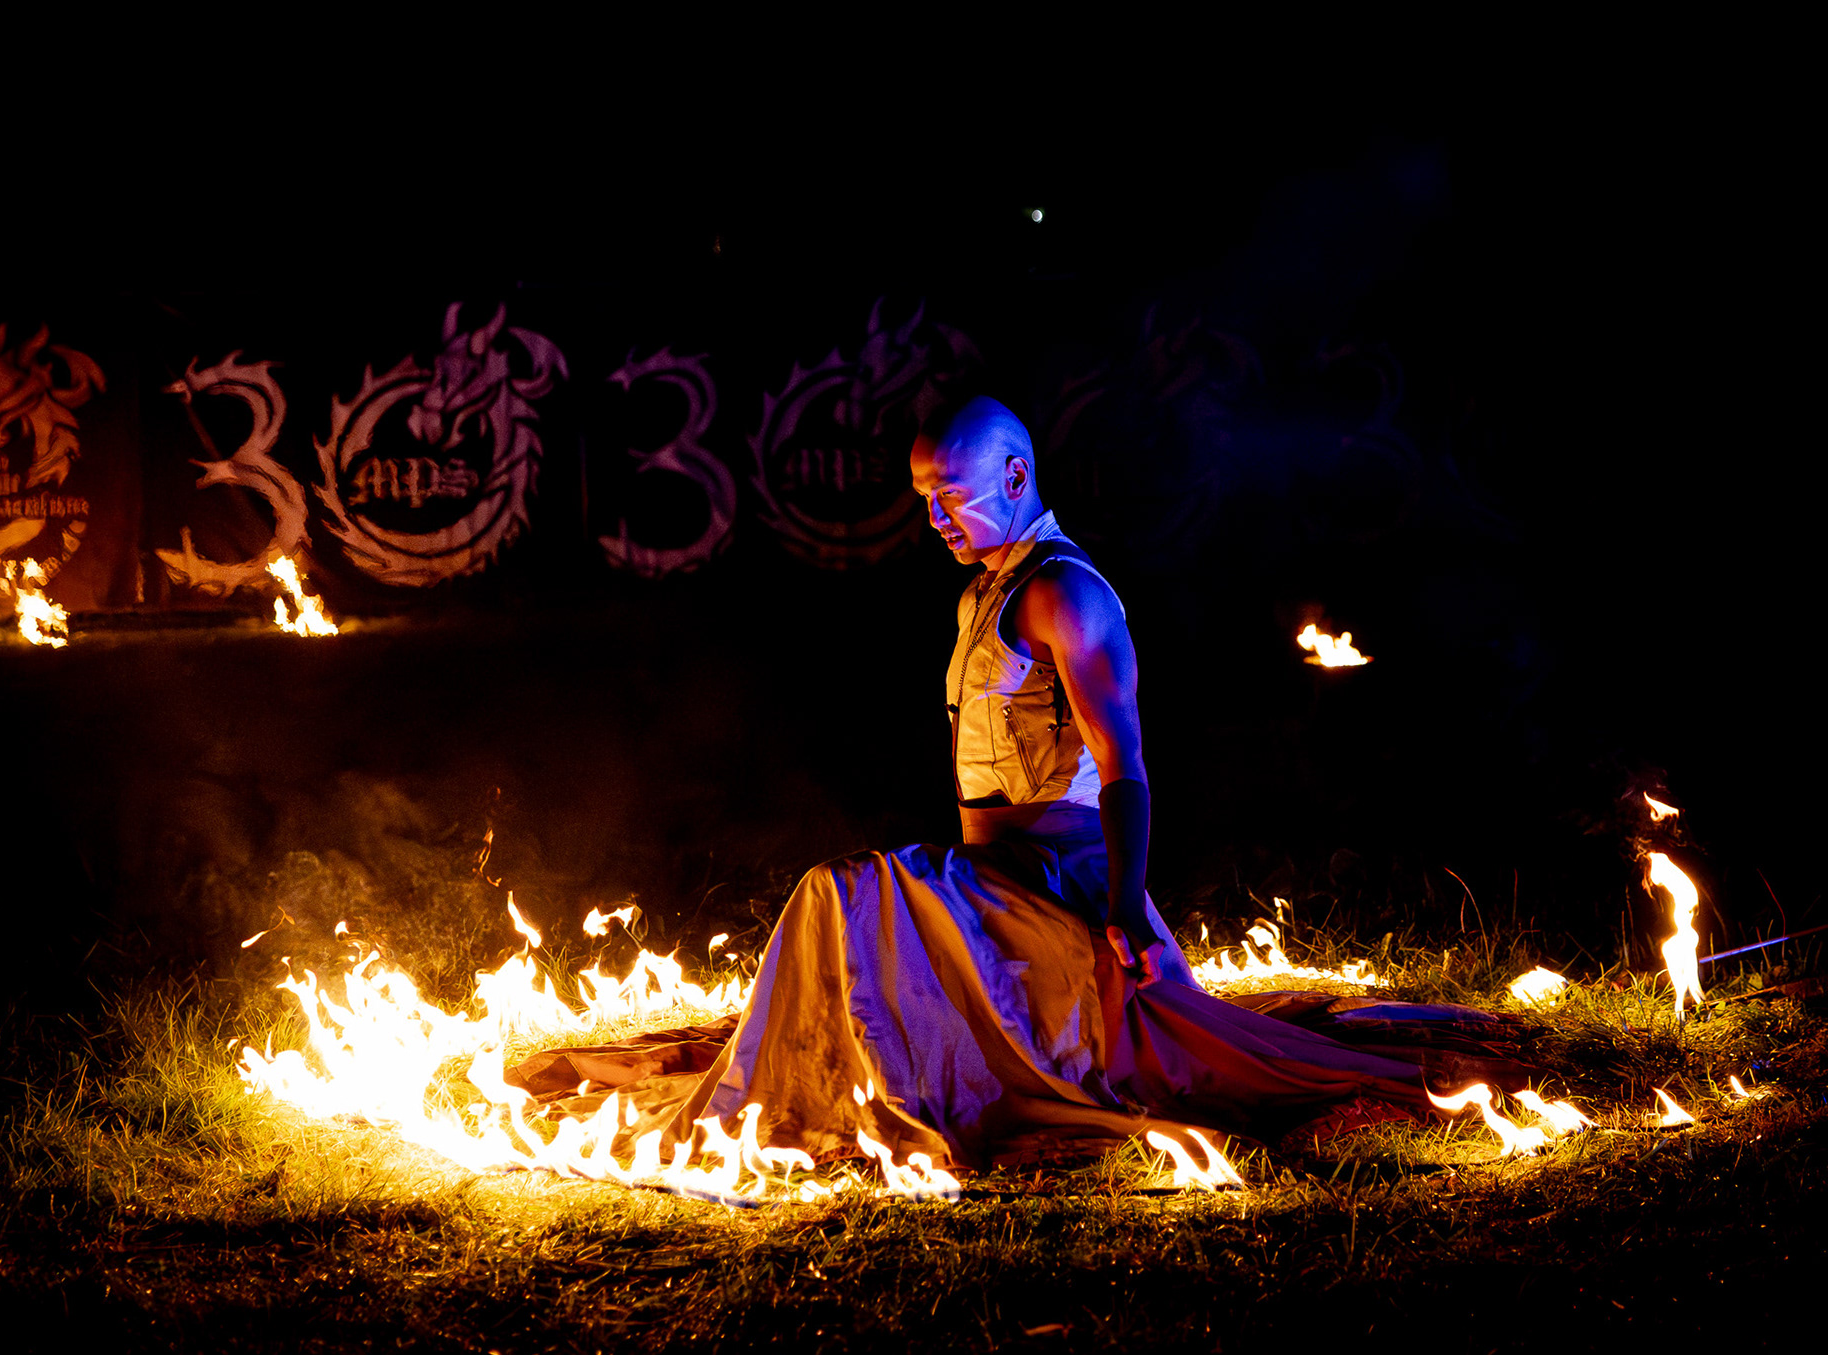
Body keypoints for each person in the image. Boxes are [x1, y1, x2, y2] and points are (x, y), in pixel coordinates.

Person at [511, 397, 1522, 1170]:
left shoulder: (1064, 593)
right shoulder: (981, 592)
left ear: (1016, 471)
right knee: (862, 950)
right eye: (924, 501)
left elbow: (1124, 763)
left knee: (836, 895)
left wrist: (1124, 907)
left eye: (952, 495)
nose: (938, 517)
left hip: (1060, 887)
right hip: (987, 886)